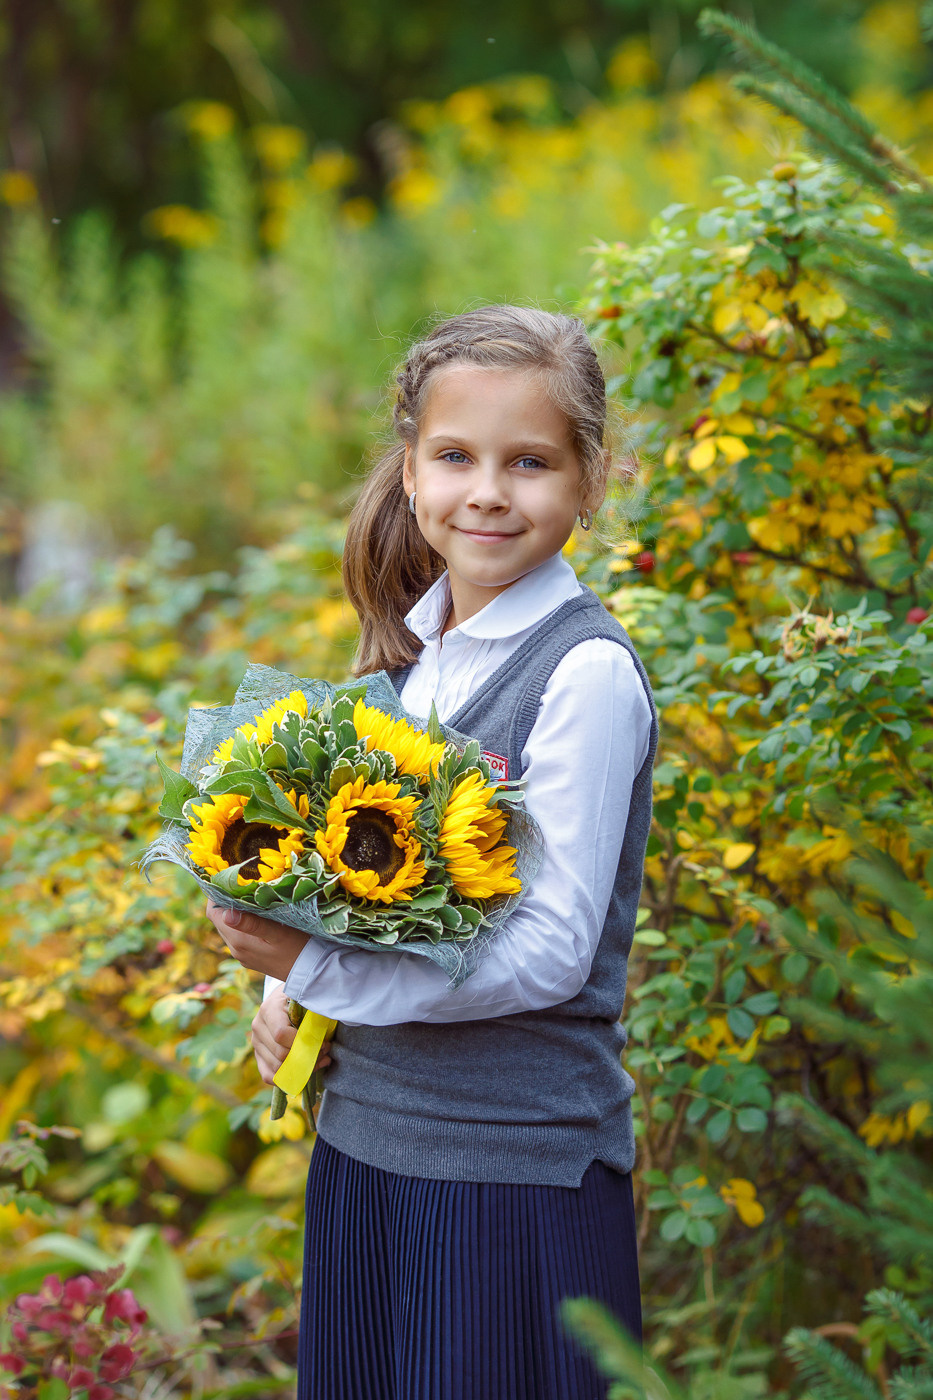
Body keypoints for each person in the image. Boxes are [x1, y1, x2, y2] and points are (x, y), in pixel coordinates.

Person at [207, 305, 658, 1400]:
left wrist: (312, 969)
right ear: (410, 473)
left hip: (510, 1172)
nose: (489, 490)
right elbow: (403, 906)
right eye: (456, 455)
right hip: (370, 1150)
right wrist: (305, 999)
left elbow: (550, 955)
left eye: (531, 461)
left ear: (589, 482)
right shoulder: (419, 666)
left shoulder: (584, 673)